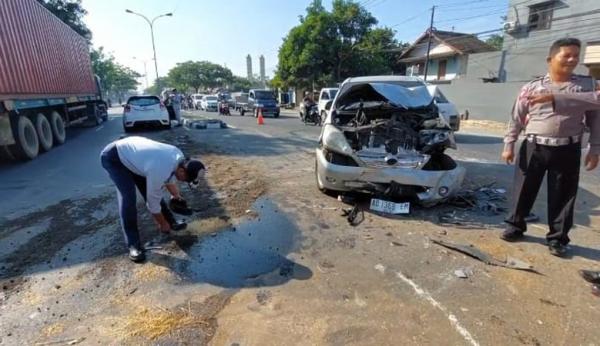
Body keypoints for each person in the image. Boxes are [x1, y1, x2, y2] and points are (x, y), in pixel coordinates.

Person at [501, 38, 600, 257]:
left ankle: (558, 238)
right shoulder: (532, 86)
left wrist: (595, 148)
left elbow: (595, 119)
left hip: (568, 148)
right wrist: (509, 144)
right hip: (534, 146)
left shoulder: (588, 86)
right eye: (566, 55)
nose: (572, 59)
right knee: (523, 190)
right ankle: (515, 226)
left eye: (576, 55)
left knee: (563, 195)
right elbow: (517, 117)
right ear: (550, 59)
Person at [100, 136, 205, 263]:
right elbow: (152, 202)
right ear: (182, 171)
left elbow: (170, 176)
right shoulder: (160, 168)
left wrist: (176, 195)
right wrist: (161, 223)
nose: (184, 182)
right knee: (128, 198)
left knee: (152, 189)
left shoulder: (178, 158)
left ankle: (170, 222)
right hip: (115, 158)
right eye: (186, 180)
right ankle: (133, 245)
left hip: (136, 158)